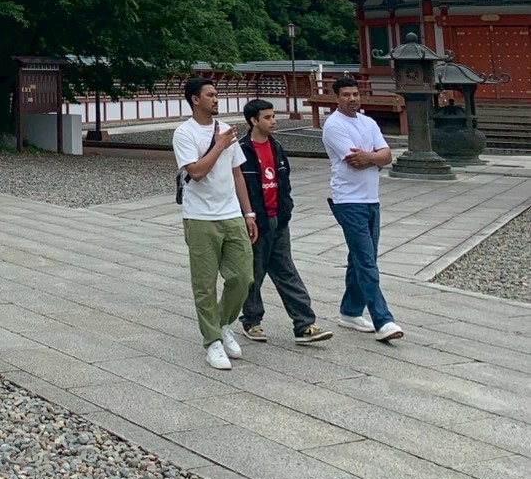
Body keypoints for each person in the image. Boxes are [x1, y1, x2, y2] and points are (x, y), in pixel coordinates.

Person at [172, 77, 257, 371]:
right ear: (195, 100)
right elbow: (196, 172)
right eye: (210, 95)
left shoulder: (226, 130)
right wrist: (219, 145)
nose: (216, 99)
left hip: (231, 213)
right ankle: (212, 342)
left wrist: (249, 213)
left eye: (217, 94)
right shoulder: (184, 133)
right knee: (205, 284)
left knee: (242, 277)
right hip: (200, 217)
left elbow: (237, 174)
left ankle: (222, 324)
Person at [238, 100, 331, 345]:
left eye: (273, 116)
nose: (273, 121)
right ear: (253, 120)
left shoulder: (276, 146)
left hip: (279, 219)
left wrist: (286, 208)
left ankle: (304, 324)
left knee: (286, 271)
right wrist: (248, 215)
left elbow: (284, 180)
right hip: (255, 221)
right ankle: (251, 320)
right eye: (267, 117)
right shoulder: (242, 149)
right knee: (253, 273)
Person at [321, 75, 404, 342]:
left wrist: (372, 157)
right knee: (366, 261)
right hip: (348, 200)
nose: (352, 99)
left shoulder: (368, 122)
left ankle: (350, 310)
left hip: (371, 198)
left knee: (361, 257)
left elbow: (387, 155)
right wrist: (374, 158)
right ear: (337, 98)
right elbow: (354, 160)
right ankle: (383, 320)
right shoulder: (334, 125)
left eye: (355, 94)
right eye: (346, 95)